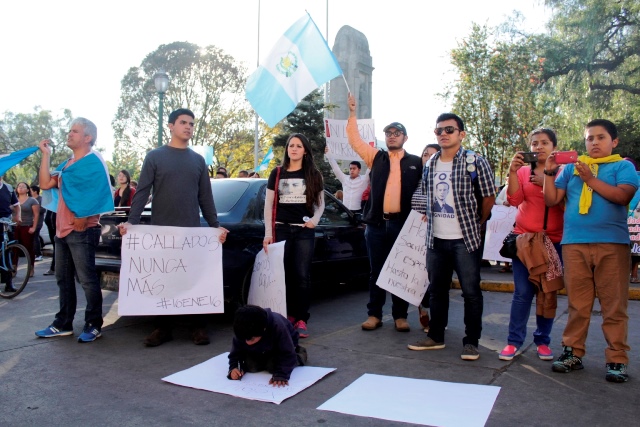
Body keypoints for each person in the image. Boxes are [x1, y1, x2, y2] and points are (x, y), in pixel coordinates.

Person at [118, 108, 228, 347]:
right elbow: (143, 191)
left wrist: (215, 227)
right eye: (183, 122)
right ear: (171, 125)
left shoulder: (198, 161)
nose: (188, 127)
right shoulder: (154, 157)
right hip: (161, 234)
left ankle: (198, 326)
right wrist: (132, 222)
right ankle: (163, 328)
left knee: (194, 279)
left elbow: (205, 198)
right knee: (164, 279)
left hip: (191, 233)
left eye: (191, 123)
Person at [544, 119, 637, 383]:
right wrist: (550, 173)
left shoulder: (622, 166)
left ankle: (616, 359)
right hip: (574, 244)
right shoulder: (570, 169)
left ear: (614, 142)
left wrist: (591, 179)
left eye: (600, 137)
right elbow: (552, 200)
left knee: (614, 305)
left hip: (612, 244)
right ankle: (573, 352)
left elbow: (622, 197)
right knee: (578, 304)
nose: (594, 142)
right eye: (589, 138)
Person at [407, 113, 495, 361]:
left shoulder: (475, 161)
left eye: (449, 129)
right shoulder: (432, 162)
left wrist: (479, 222)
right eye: (439, 131)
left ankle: (471, 342)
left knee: (470, 292)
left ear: (461, 134)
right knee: (436, 291)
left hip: (465, 239)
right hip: (435, 239)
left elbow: (489, 196)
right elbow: (425, 194)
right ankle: (435, 337)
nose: (443, 134)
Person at [345, 94, 422, 333]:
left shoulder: (417, 162)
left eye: (396, 133)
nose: (391, 136)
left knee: (400, 270)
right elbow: (354, 140)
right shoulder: (375, 156)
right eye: (388, 133)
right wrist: (352, 113)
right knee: (376, 271)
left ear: (405, 138)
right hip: (377, 225)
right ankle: (374, 314)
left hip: (403, 224)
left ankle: (400, 316)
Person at [35, 117, 114, 342]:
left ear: (87, 138)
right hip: (62, 230)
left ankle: (93, 324)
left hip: (82, 230)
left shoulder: (93, 161)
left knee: (87, 279)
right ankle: (63, 323)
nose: (69, 134)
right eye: (69, 130)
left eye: (75, 131)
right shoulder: (67, 165)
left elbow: (99, 192)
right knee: (63, 279)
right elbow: (44, 184)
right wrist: (46, 154)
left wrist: (84, 216)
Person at [498, 128, 565, 362]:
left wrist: (547, 180)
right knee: (522, 293)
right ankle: (513, 342)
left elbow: (564, 202)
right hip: (524, 241)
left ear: (554, 147)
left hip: (553, 242)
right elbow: (514, 200)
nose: (538, 147)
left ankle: (542, 341)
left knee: (547, 293)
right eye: (534, 143)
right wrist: (513, 172)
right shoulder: (524, 171)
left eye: (544, 143)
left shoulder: (563, 172)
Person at [263, 133, 324, 339]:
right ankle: (287, 316)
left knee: (301, 276)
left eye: (299, 146)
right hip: (281, 230)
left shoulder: (313, 174)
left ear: (305, 150)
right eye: (291, 146)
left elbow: (320, 204)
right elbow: (268, 204)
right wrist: (268, 234)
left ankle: (301, 319)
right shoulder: (277, 173)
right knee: (284, 275)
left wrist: (314, 221)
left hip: (304, 232)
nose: (294, 149)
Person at [227, 305, 307, 387]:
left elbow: (287, 354)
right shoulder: (242, 330)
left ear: (263, 329)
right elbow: (235, 353)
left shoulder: (278, 326)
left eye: (251, 339)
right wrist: (234, 367)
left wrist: (281, 375)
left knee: (273, 366)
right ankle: (264, 357)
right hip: (262, 348)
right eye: (245, 340)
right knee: (250, 366)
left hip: (282, 347)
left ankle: (299, 355)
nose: (248, 343)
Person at [412, 144, 441, 332]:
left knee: (434, 277)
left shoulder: (442, 178)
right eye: (425, 154)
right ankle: (423, 310)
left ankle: (436, 316)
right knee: (416, 276)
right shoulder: (413, 178)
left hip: (436, 234)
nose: (428, 157)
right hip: (412, 233)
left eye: (432, 154)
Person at [325, 145, 370, 213]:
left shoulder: (364, 180)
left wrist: (373, 155)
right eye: (350, 168)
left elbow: (370, 167)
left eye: (354, 168)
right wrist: (329, 155)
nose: (352, 170)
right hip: (345, 211)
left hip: (359, 211)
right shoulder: (344, 179)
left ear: (359, 170)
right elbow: (335, 168)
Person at [0, 176, 21, 292]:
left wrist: (18, 216)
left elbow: (17, 205)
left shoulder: (8, 188)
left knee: (7, 252)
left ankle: (9, 283)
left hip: (5, 223)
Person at [14, 182, 39, 274]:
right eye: (19, 186)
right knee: (14, 248)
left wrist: (34, 227)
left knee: (28, 248)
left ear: (27, 190)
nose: (20, 188)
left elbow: (36, 215)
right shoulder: (14, 200)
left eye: (23, 187)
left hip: (27, 226)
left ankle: (31, 268)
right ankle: (14, 268)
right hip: (15, 227)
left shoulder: (32, 200)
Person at [30, 185, 45, 262]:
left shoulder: (41, 199)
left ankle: (38, 254)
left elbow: (43, 209)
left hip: (38, 221)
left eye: (31, 190)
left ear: (35, 191)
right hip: (30, 221)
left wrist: (35, 210)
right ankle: (34, 253)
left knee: (35, 236)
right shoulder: (30, 199)